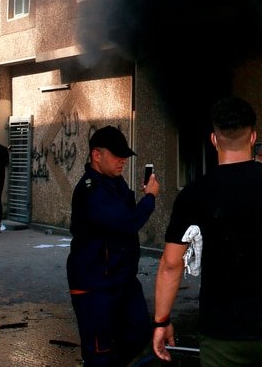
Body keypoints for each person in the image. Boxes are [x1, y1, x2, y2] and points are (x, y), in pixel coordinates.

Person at [152, 96, 262, 366]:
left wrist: (161, 321)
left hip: (221, 336)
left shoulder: (194, 194)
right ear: (253, 138)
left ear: (214, 140)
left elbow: (171, 264)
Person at [66, 125, 159, 366]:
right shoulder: (91, 189)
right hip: (95, 284)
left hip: (122, 279)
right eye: (117, 156)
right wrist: (149, 198)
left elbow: (125, 215)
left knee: (138, 335)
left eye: (124, 157)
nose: (122, 162)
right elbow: (128, 223)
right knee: (100, 352)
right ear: (97, 155)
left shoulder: (113, 183)